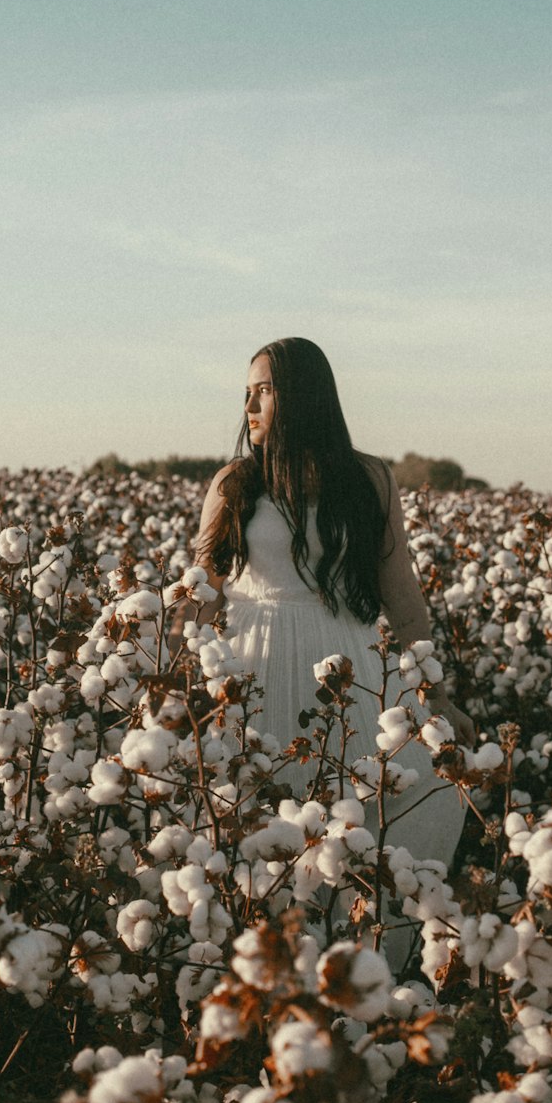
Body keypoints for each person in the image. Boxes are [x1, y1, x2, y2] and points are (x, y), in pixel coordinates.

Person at [189, 337, 473, 869]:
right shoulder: (236, 483)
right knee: (253, 825)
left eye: (264, 391)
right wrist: (176, 686)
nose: (249, 407)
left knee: (365, 821)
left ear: (302, 397)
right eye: (247, 393)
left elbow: (402, 594)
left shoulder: (368, 479)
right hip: (254, 666)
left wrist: (437, 697)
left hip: (349, 670)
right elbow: (200, 595)